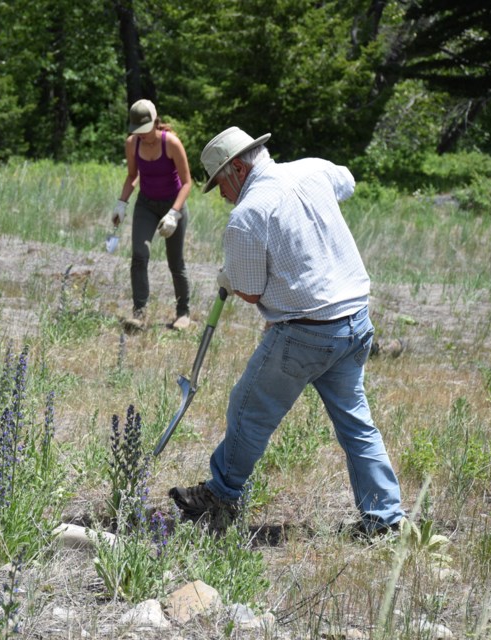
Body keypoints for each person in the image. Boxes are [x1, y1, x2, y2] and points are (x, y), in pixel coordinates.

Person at [169, 126, 405, 537]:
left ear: (238, 169)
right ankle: (385, 520)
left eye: (221, 185)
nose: (222, 196)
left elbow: (251, 291)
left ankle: (221, 497)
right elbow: (346, 180)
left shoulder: (248, 215)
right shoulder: (312, 170)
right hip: (354, 321)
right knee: (356, 423)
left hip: (306, 333)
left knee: (248, 409)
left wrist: (229, 277)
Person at [111, 99, 193, 331]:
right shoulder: (132, 144)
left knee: (175, 261)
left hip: (172, 205)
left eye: (146, 130)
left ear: (155, 123)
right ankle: (139, 313)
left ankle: (183, 313)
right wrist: (121, 203)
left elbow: (187, 182)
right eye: (138, 131)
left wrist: (174, 214)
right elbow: (132, 176)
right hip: (146, 204)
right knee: (139, 254)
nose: (142, 136)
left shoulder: (171, 144)